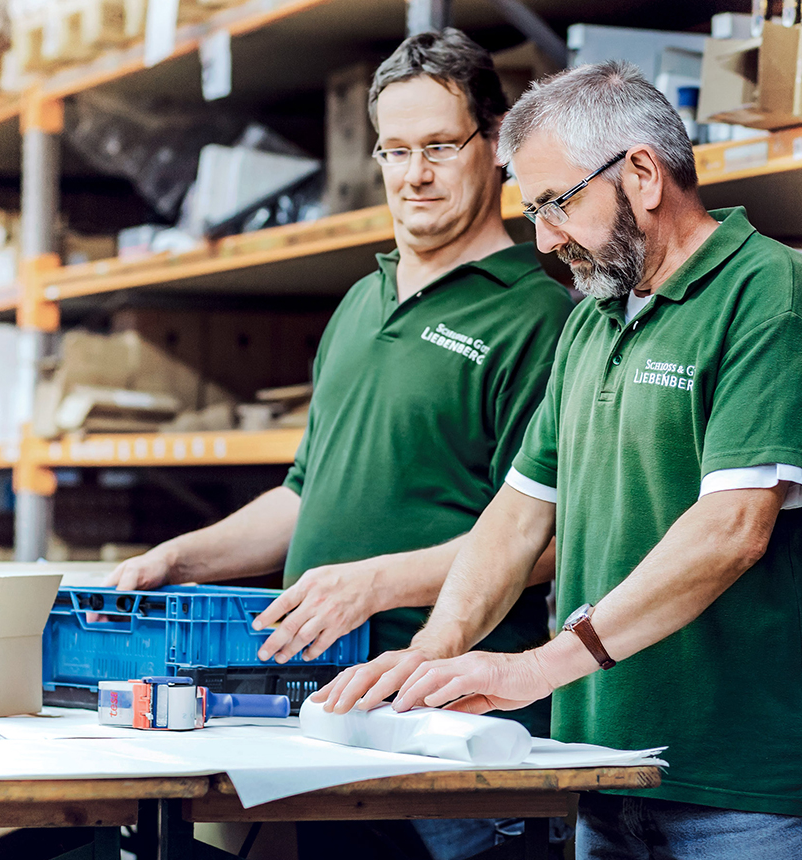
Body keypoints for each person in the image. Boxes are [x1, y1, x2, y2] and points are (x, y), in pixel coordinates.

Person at [316, 60, 802, 860]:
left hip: (747, 787)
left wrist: (539, 667)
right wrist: (429, 654)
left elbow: (731, 532)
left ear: (642, 173)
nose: (543, 238)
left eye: (556, 203)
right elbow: (515, 517)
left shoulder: (768, 295)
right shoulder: (592, 323)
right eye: (533, 210)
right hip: (605, 769)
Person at [107, 29, 575, 860]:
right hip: (332, 716)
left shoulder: (537, 318)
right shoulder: (359, 305)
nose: (414, 175)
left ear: (494, 143)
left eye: (439, 146)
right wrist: (182, 558)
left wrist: (374, 585)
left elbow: (543, 540)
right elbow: (303, 494)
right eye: (395, 150)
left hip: (450, 727)